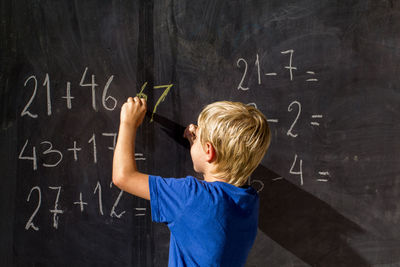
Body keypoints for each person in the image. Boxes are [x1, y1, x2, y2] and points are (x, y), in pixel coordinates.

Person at [112, 97, 271, 266]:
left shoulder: (190, 196)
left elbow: (123, 177)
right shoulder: (249, 201)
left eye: (199, 137)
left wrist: (128, 123)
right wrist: (199, 146)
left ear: (209, 151)